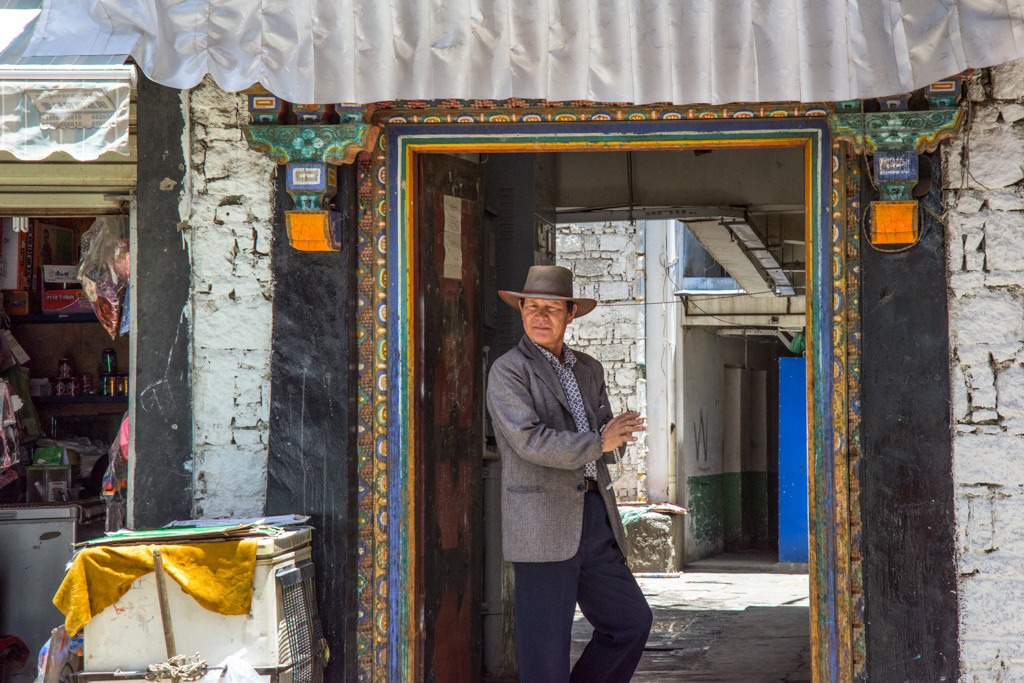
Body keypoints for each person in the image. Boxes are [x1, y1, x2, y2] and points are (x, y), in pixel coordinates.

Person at [486, 265, 652, 682]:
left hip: (596, 515)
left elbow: (601, 427)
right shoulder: (508, 371)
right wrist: (600, 441)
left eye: (552, 308)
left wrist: (618, 433)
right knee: (545, 658)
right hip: (541, 526)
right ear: (521, 310)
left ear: (570, 314)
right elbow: (529, 441)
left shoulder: (590, 369)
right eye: (533, 307)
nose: (541, 316)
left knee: (630, 622)